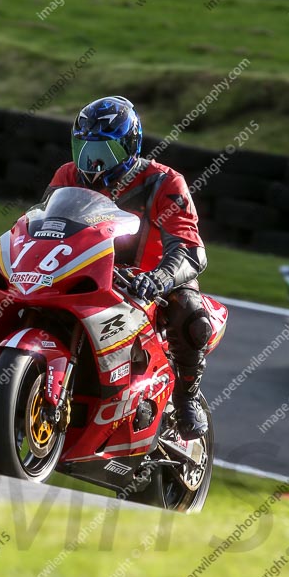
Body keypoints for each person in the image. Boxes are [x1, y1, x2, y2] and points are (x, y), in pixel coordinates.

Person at [42, 96, 212, 440]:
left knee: (191, 312)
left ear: (129, 146)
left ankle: (185, 399)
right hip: (88, 271)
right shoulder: (69, 175)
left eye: (103, 151)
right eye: (83, 148)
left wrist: (161, 277)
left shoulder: (165, 182)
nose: (91, 161)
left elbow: (190, 247)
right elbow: (44, 221)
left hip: (150, 282)